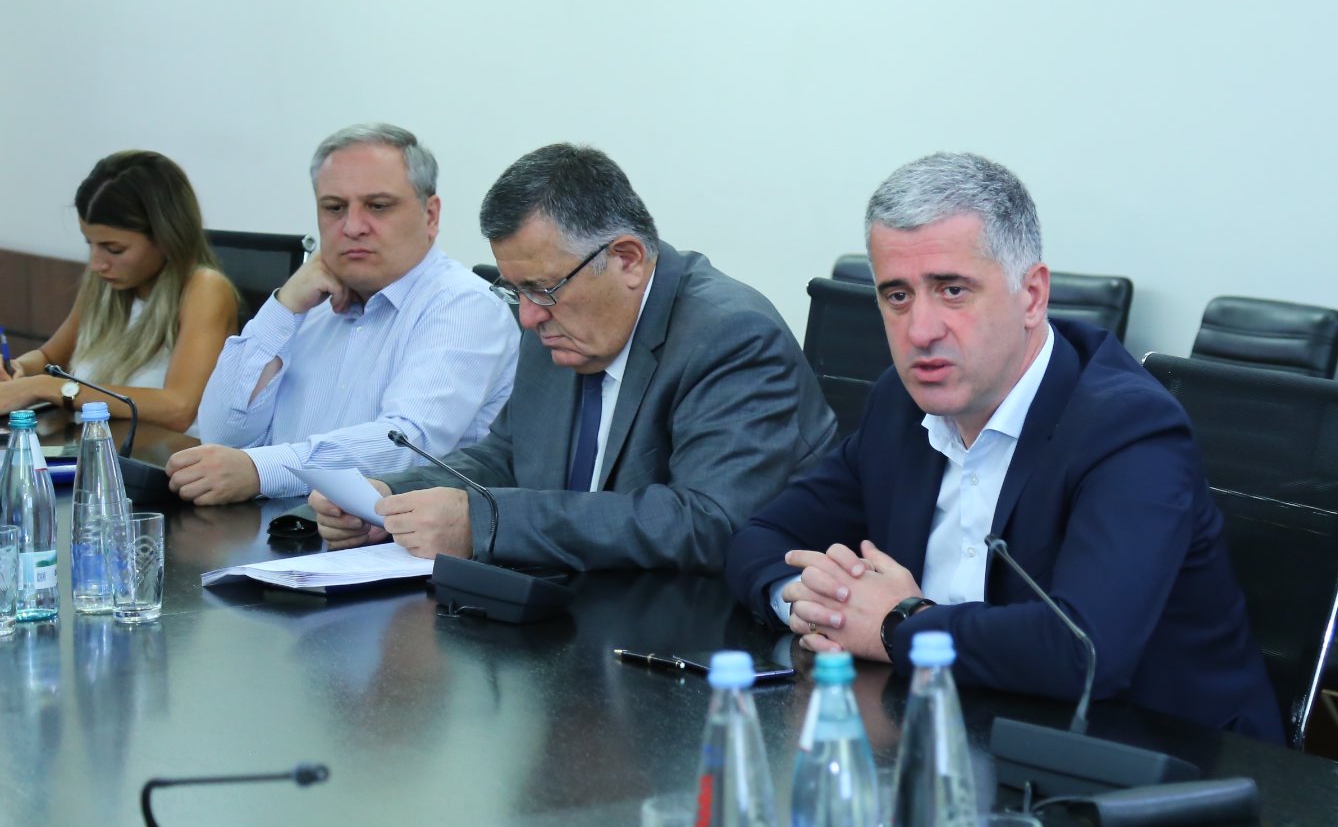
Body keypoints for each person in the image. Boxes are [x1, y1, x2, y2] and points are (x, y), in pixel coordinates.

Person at [725, 153, 1283, 741]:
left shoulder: (1129, 429)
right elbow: (761, 537)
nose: (921, 331)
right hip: (956, 732)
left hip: (1160, 761)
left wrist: (897, 624)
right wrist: (814, 604)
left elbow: (1083, 651)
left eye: (953, 290)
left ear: (1032, 296)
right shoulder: (901, 404)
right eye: (897, 296)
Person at [310, 143, 837, 574]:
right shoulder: (555, 318)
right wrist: (389, 502)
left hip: (700, 633)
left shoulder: (729, 335)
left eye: (541, 289)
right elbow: (506, 457)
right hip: (572, 609)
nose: (528, 317)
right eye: (516, 290)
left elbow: (706, 522)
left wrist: (486, 523)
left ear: (627, 259)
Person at [167, 124, 517, 505]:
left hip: (388, 537)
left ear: (431, 215)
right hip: (274, 527)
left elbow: (406, 444)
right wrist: (283, 307)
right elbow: (220, 437)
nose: (352, 227)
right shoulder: (310, 304)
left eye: (378, 206)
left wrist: (260, 470)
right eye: (334, 208)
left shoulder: (466, 306)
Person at [0, 152, 238, 431]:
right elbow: (49, 359)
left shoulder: (204, 289)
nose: (97, 264)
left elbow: (178, 408)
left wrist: (45, 387)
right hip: (94, 445)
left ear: (166, 237)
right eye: (90, 244)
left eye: (114, 249)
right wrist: (18, 369)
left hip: (164, 455)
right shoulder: (105, 284)